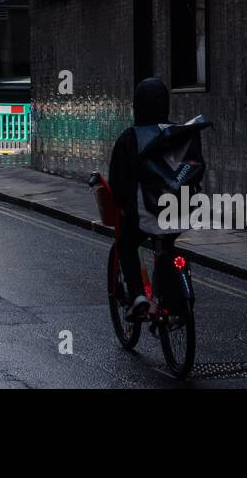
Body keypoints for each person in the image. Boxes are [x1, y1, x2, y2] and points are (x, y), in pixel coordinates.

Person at [107, 77, 182, 320]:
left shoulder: (130, 138)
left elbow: (117, 182)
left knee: (126, 245)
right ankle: (168, 299)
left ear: (137, 105)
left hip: (144, 213)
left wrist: (126, 206)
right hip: (180, 211)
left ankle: (138, 296)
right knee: (166, 246)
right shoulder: (180, 134)